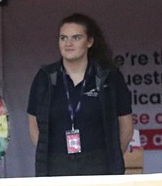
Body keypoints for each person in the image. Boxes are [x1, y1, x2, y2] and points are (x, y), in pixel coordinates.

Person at [27, 13, 133, 176]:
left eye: (76, 38)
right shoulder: (45, 77)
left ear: (89, 42)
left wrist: (112, 158)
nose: (68, 43)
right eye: (63, 38)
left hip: (99, 165)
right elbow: (33, 124)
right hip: (56, 166)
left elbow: (126, 127)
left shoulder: (108, 76)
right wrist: (49, 155)